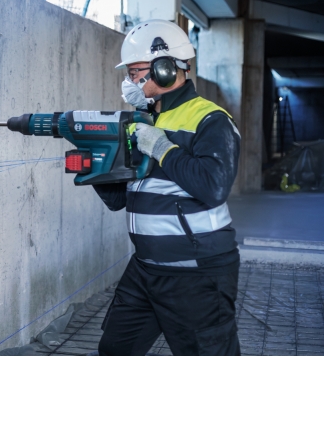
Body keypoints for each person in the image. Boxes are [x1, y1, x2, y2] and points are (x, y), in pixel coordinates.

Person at [93, 18, 241, 356]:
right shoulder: (143, 120)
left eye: (135, 72)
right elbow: (119, 198)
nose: (130, 81)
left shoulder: (210, 120)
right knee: (115, 351)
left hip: (196, 273)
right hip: (146, 267)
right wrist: (94, 163)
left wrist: (161, 148)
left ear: (165, 68)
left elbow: (213, 186)